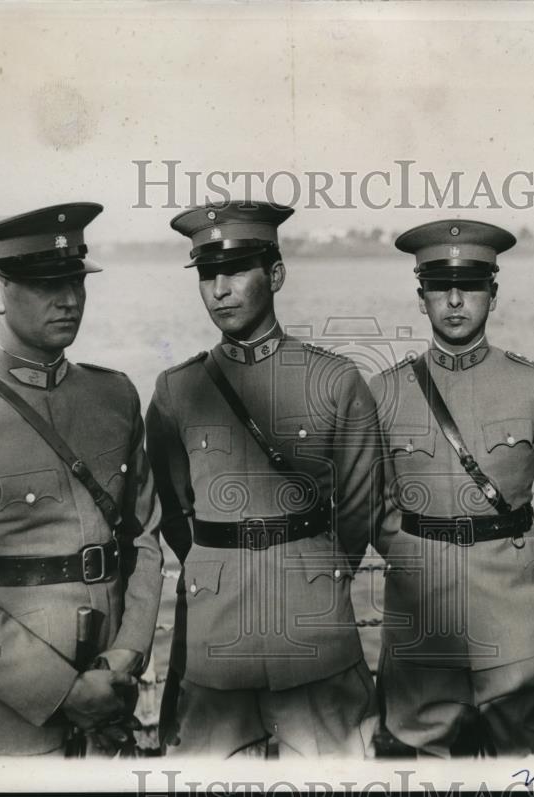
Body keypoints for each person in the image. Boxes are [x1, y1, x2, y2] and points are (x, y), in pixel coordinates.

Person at [0, 203, 163, 756]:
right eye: (45, 284)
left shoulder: (114, 398)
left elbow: (142, 540)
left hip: (110, 707)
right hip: (3, 735)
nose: (69, 299)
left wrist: (126, 657)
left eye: (74, 280)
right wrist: (66, 692)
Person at [147, 200, 382, 758]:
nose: (220, 289)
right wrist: (221, 563)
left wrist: (307, 569)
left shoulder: (335, 382)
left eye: (235, 271)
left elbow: (357, 508)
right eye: (207, 274)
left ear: (275, 274)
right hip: (216, 644)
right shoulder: (176, 391)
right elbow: (174, 514)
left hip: (314, 637)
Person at [368, 219, 534, 758]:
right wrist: (415, 556)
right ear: (422, 298)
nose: (456, 300)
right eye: (440, 286)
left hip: (516, 620)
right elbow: (371, 506)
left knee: (524, 765)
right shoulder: (385, 392)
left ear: (494, 292)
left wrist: (526, 564)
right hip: (423, 618)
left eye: (472, 285)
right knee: (425, 765)